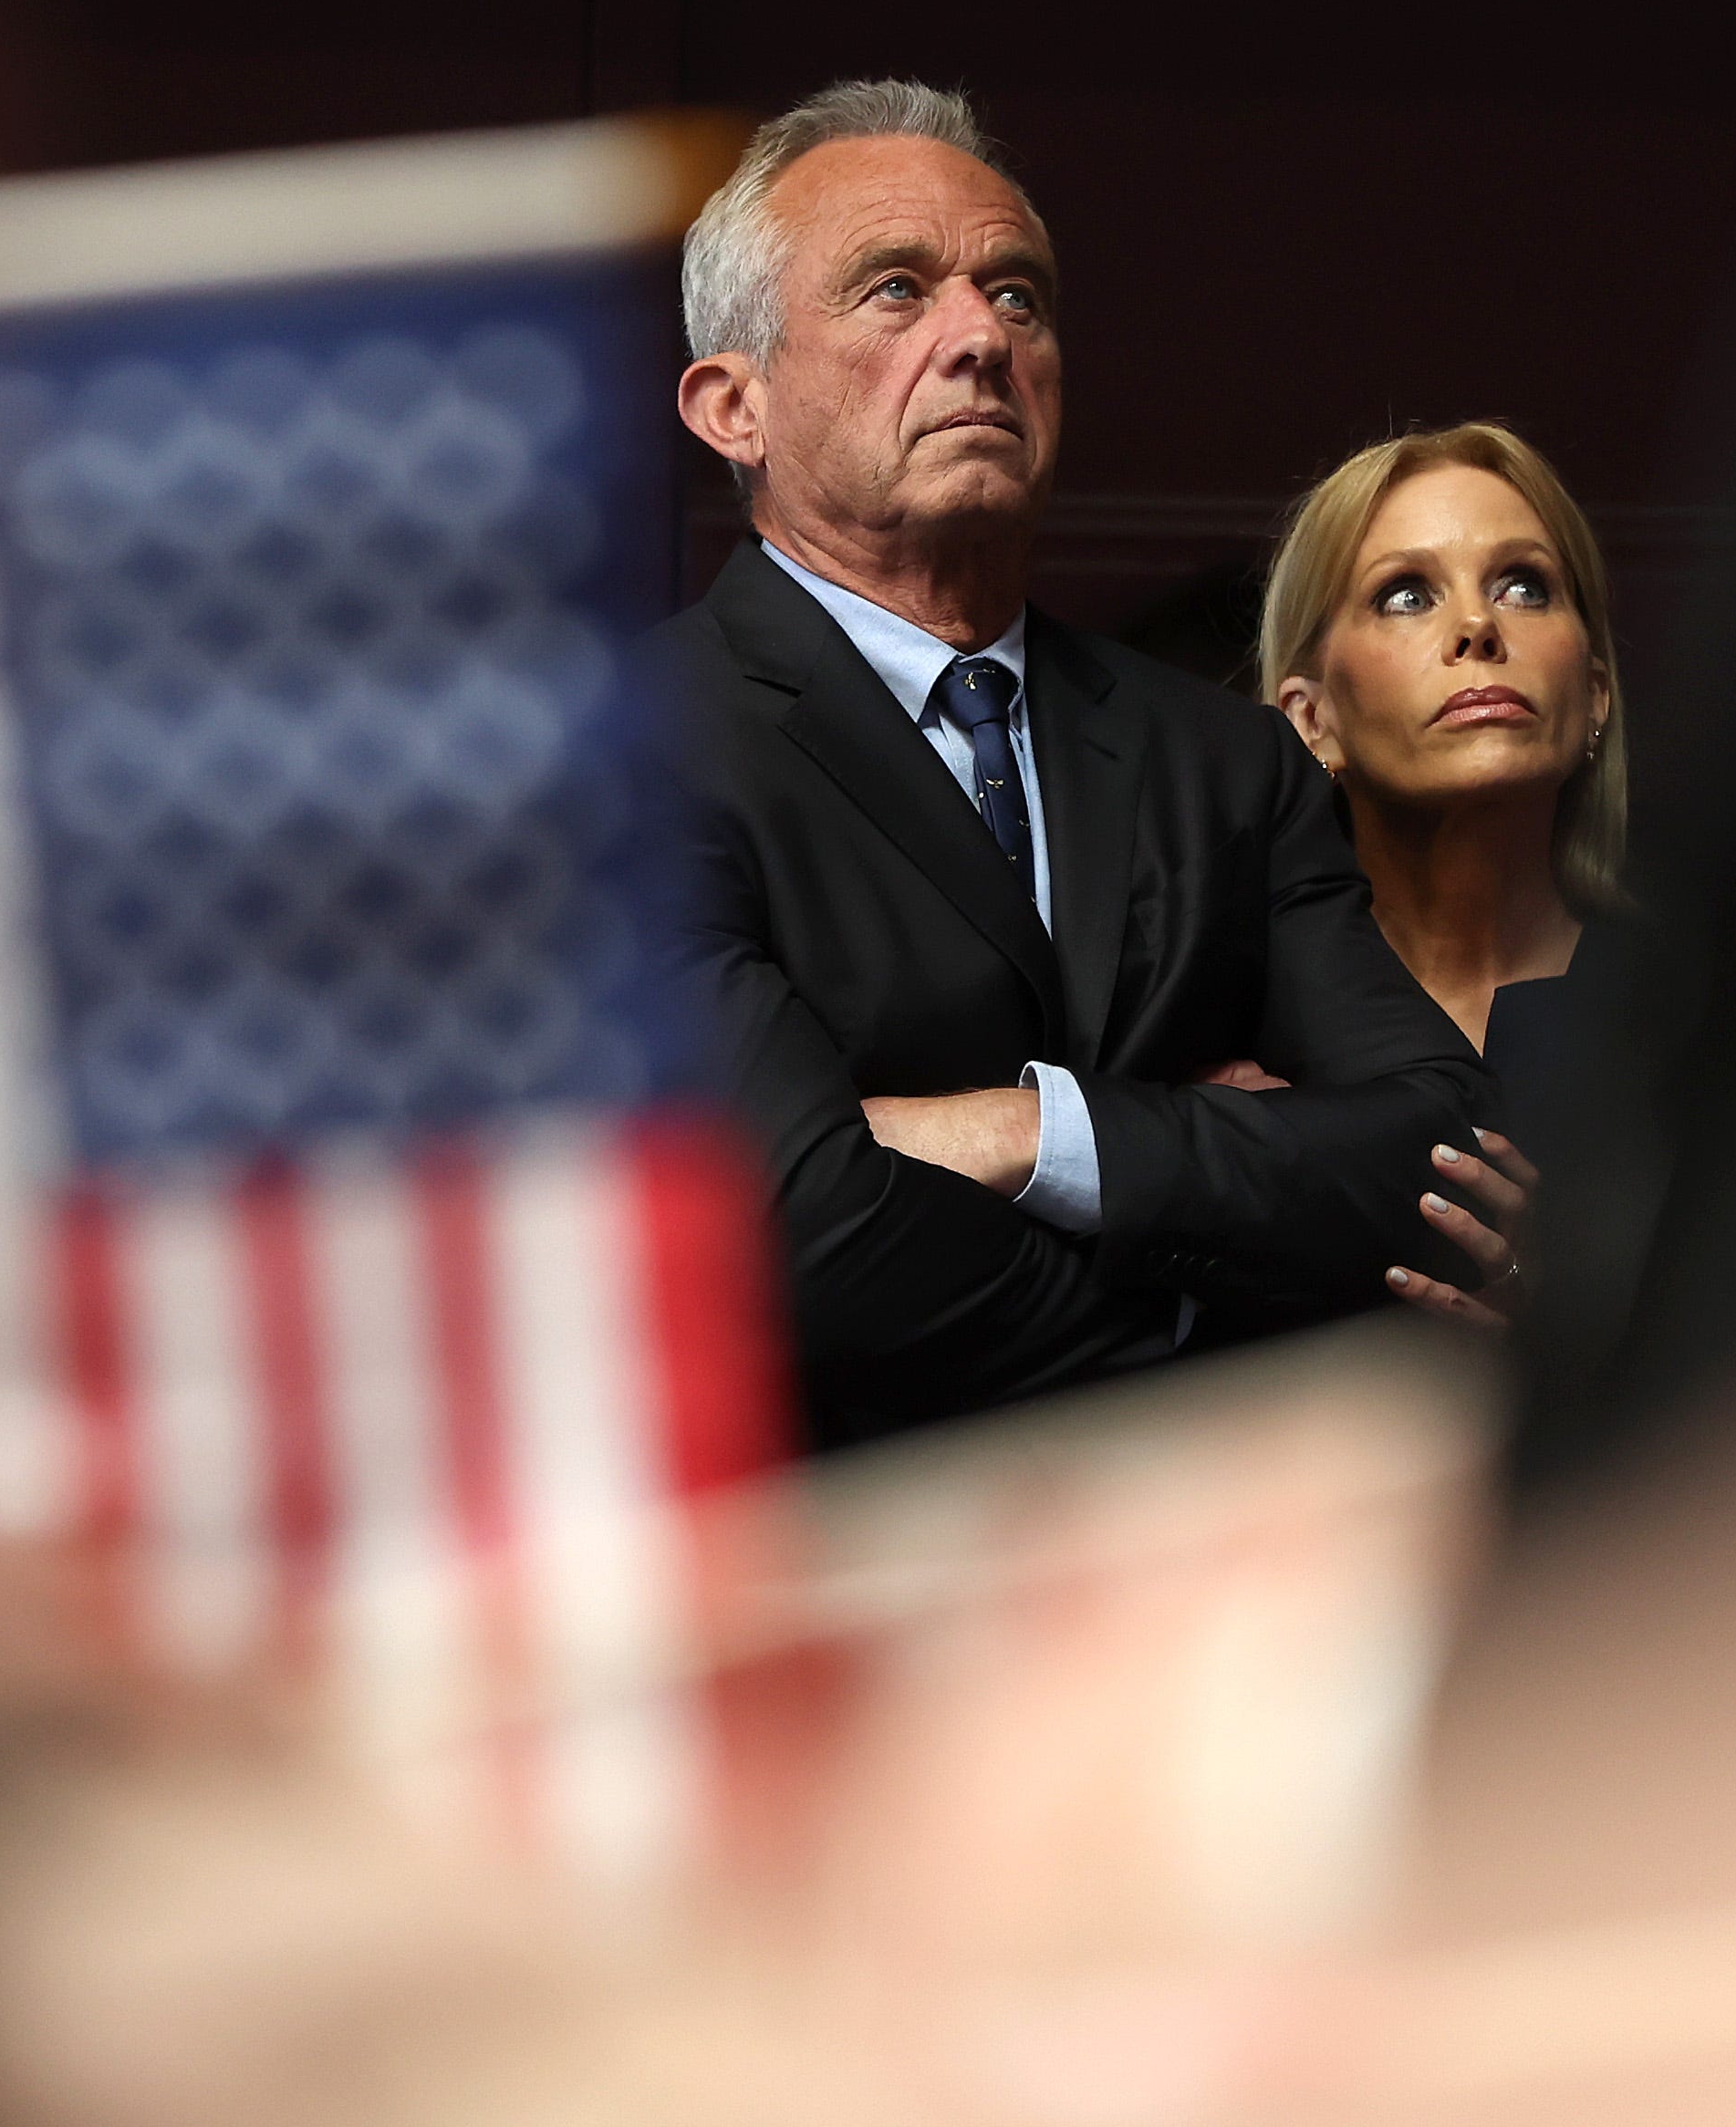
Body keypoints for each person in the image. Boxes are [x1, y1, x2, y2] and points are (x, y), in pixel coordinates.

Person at [656, 79, 1496, 1450]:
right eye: (893, 290)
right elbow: (795, 1233)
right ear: (729, 405)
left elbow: (1436, 1152)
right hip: (843, 1582)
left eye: (1018, 296)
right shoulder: (641, 751)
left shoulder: (1223, 762)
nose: (979, 335)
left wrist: (1022, 1132)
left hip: (1234, 1603)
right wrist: (1220, 1321)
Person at [1257, 422, 1629, 1326]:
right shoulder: (1236, 1027)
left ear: (1594, 694)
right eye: (1406, 594)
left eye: (1524, 585)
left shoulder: (1713, 1010)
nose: (1477, 627)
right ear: (1312, 720)